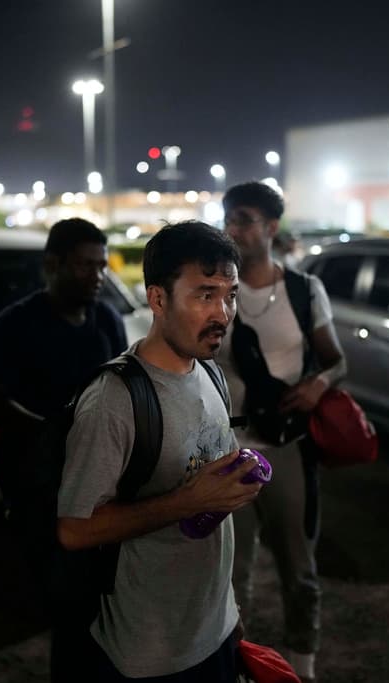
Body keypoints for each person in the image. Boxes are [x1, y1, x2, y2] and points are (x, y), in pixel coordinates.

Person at [56, 221, 261, 681]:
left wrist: (229, 613)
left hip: (215, 628)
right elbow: (73, 529)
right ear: (158, 298)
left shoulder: (210, 374)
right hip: (149, 654)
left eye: (230, 295)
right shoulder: (115, 399)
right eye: (205, 294)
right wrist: (189, 501)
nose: (223, 313)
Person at [218, 181, 347, 683]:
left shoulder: (302, 289)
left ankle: (303, 667)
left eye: (244, 218)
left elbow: (337, 360)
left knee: (299, 569)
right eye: (228, 217)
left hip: (285, 445)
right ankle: (233, 666)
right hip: (226, 447)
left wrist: (319, 382)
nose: (233, 227)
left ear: (271, 228)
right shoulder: (214, 289)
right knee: (231, 577)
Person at [0, 217, 127, 510]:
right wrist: (50, 432)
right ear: (52, 265)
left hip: (97, 467)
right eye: (85, 265)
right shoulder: (16, 322)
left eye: (101, 266)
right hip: (33, 473)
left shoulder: (108, 319)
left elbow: (123, 382)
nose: (97, 276)